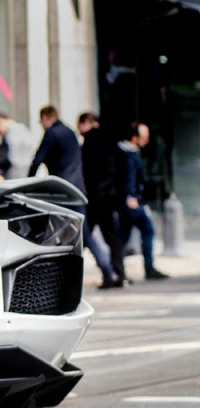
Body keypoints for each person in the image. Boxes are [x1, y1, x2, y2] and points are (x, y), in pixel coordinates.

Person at [26, 106, 115, 286]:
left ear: (45, 118)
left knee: (50, 235)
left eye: (41, 121)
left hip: (61, 192)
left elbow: (38, 159)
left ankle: (50, 278)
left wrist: (28, 183)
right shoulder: (69, 133)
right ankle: (106, 269)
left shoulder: (52, 133)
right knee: (84, 234)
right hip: (77, 190)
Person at [77, 112, 126, 288]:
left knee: (83, 236)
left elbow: (89, 171)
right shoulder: (109, 140)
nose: (79, 129)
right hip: (107, 196)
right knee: (109, 236)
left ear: (87, 123)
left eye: (80, 125)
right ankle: (117, 273)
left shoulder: (91, 142)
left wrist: (92, 192)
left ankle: (107, 273)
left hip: (96, 197)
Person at [119, 122, 169, 280]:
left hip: (131, 200)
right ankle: (148, 268)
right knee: (147, 230)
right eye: (144, 137)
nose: (146, 141)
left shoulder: (130, 151)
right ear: (134, 138)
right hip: (132, 201)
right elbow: (128, 177)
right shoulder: (128, 154)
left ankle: (117, 270)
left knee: (123, 236)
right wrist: (130, 197)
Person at [0, 111, 35, 180]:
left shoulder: (9, 134)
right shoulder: (24, 130)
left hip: (13, 177)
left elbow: (8, 159)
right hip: (28, 175)